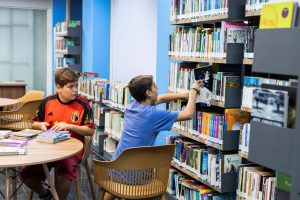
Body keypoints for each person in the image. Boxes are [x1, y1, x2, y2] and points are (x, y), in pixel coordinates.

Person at [104, 75, 203, 200]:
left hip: (116, 168)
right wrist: (194, 91)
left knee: (115, 185)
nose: (158, 88)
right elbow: (188, 114)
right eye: (155, 86)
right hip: (138, 177)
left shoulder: (132, 105)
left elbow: (159, 98)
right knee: (129, 185)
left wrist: (185, 95)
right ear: (148, 92)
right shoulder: (153, 115)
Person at [21, 68, 95, 200]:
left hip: (72, 151)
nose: (75, 90)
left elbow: (90, 130)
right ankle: (46, 195)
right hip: (47, 148)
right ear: (59, 87)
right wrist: (40, 125)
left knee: (66, 169)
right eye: (71, 87)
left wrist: (69, 126)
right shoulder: (48, 101)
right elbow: (34, 123)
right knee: (26, 174)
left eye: (76, 86)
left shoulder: (83, 104)